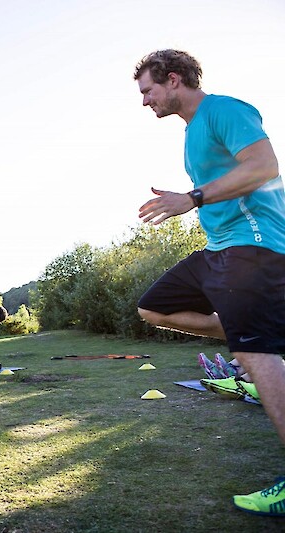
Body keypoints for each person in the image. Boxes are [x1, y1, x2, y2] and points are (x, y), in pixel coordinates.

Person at [134, 49, 285, 516]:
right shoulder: (190, 133)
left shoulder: (225, 110)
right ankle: (242, 332)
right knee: (152, 307)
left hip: (252, 247)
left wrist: (193, 197)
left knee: (256, 356)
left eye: (148, 91)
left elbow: (264, 167)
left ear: (173, 79)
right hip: (219, 251)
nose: (144, 102)